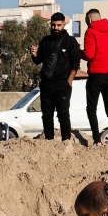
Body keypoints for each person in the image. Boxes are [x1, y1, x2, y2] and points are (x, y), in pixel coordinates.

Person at [30, 13, 80, 141]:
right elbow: (38, 61)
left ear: (64, 25)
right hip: (47, 84)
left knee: (63, 115)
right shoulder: (45, 41)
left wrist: (69, 81)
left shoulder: (71, 41)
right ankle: (49, 141)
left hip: (63, 84)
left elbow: (75, 63)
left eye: (59, 25)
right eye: (53, 25)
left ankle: (66, 141)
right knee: (46, 115)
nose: (56, 27)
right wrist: (35, 54)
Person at [82, 9, 108, 146]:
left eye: (86, 21)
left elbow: (89, 55)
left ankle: (97, 141)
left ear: (90, 19)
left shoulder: (90, 32)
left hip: (95, 76)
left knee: (91, 108)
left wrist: (78, 53)